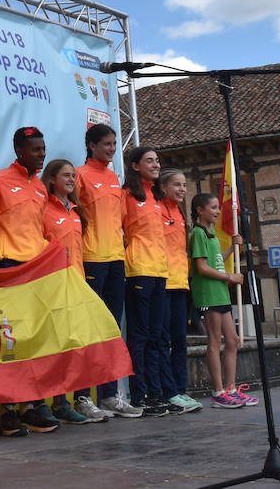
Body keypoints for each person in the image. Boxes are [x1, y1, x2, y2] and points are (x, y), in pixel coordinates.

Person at [0, 127, 58, 435]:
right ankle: (6, 410)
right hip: (9, 268)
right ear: (19, 150)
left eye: (43, 149)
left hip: (36, 271)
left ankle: (29, 406)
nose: (41, 154)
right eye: (35, 149)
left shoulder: (40, 188)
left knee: (33, 341)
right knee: (10, 342)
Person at [75, 123, 139, 419]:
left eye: (114, 143)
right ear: (91, 145)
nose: (112, 148)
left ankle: (111, 395)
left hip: (116, 260)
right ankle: (82, 398)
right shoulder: (80, 175)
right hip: (91, 259)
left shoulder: (115, 178)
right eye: (106, 144)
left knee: (111, 330)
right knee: (89, 328)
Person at [41, 159, 102, 424]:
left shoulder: (77, 212)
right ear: (52, 179)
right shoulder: (43, 208)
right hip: (52, 285)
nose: (71, 180)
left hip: (76, 284)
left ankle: (68, 401)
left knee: (74, 346)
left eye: (73, 176)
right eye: (66, 175)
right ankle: (51, 402)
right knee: (53, 346)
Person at [122, 146, 171, 415]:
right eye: (149, 161)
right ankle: (138, 394)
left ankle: (156, 392)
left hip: (160, 271)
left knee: (156, 335)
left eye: (157, 161)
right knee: (140, 337)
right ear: (135, 166)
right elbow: (116, 228)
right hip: (138, 270)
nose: (156, 164)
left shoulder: (157, 197)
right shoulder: (127, 195)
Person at [190, 192, 246, 408]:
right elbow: (202, 267)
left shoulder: (211, 234)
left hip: (221, 292)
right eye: (213, 207)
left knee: (232, 340)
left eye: (217, 207)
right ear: (200, 210)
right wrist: (229, 277)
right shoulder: (197, 234)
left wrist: (232, 248)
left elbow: (215, 261)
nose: (217, 211)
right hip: (209, 293)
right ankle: (218, 391)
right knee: (215, 341)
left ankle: (231, 388)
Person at [157, 169, 201, 413]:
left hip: (180, 283)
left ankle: (181, 389)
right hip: (162, 282)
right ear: (163, 187)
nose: (182, 189)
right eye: (176, 184)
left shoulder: (180, 213)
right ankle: (169, 391)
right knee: (164, 340)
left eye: (184, 185)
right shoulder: (157, 209)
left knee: (180, 339)